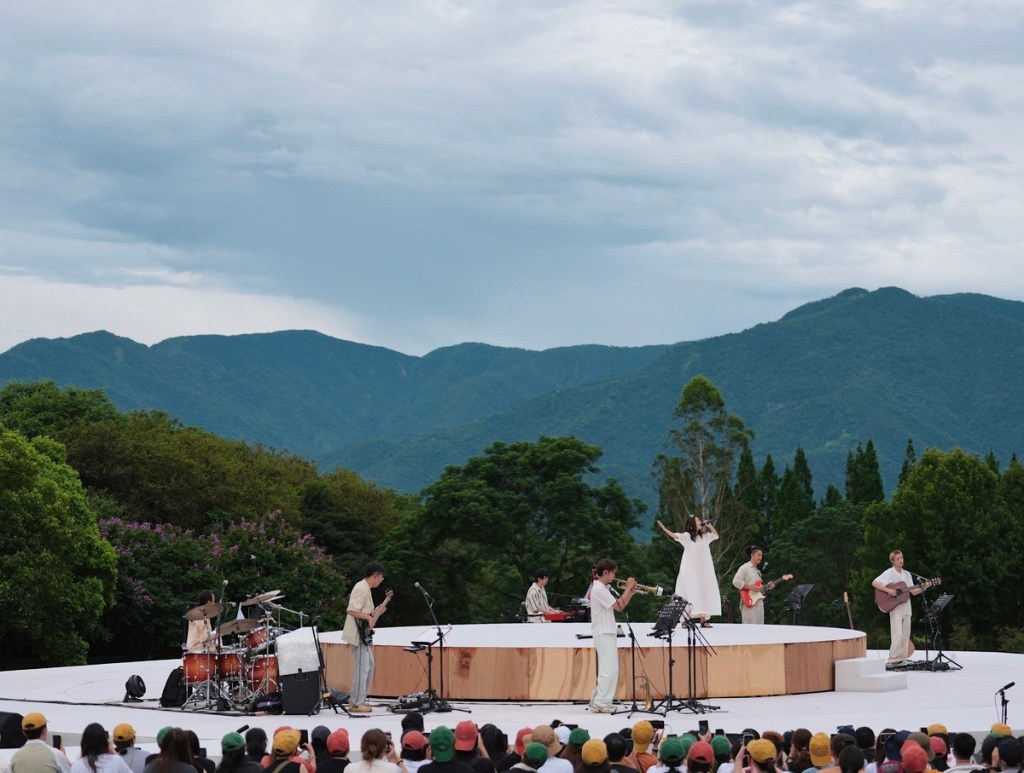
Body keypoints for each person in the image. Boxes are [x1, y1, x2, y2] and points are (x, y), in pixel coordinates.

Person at [587, 559, 636, 713]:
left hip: (606, 631)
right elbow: (618, 606)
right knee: (608, 669)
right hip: (603, 631)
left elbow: (621, 605)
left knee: (610, 668)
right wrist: (628, 588)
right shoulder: (599, 588)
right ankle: (601, 702)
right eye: (613, 573)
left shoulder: (602, 588)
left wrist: (630, 592)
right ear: (606, 572)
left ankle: (602, 700)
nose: (614, 576)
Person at [342, 561, 390, 713]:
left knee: (369, 665)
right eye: (381, 578)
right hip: (357, 635)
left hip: (362, 634)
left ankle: (359, 699)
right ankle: (356, 703)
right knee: (362, 668)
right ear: (375, 576)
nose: (381, 581)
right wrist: (369, 617)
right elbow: (351, 610)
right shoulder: (361, 588)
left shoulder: (366, 588)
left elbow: (362, 612)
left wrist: (374, 613)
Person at [656, 516, 720, 627]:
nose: (700, 521)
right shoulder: (686, 536)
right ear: (692, 524)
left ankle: (703, 620)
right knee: (687, 593)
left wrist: (710, 526)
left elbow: (716, 536)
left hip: (703, 572)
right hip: (689, 570)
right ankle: (685, 620)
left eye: (700, 520)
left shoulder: (705, 536)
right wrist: (664, 528)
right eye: (698, 520)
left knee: (703, 593)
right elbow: (674, 535)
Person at [871, 550, 929, 668]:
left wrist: (926, 586)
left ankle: (902, 659)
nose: (901, 560)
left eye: (902, 558)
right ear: (893, 561)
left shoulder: (907, 574)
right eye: (898, 559)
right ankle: (892, 659)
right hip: (895, 607)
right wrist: (888, 590)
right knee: (897, 634)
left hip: (906, 607)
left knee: (905, 635)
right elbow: (875, 583)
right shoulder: (889, 572)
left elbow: (913, 591)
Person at [731, 546, 780, 625]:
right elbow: (736, 581)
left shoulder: (758, 571)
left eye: (761, 556)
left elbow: (759, 589)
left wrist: (767, 587)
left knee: (759, 629)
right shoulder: (745, 568)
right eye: (759, 555)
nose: (760, 557)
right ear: (752, 555)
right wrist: (752, 588)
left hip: (759, 603)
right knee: (750, 628)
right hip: (749, 602)